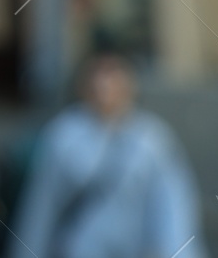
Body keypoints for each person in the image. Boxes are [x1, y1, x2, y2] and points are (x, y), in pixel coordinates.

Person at [10, 55, 206, 258]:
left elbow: (172, 209)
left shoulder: (152, 140)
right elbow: (41, 208)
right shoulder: (63, 135)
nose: (105, 88)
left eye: (113, 77)